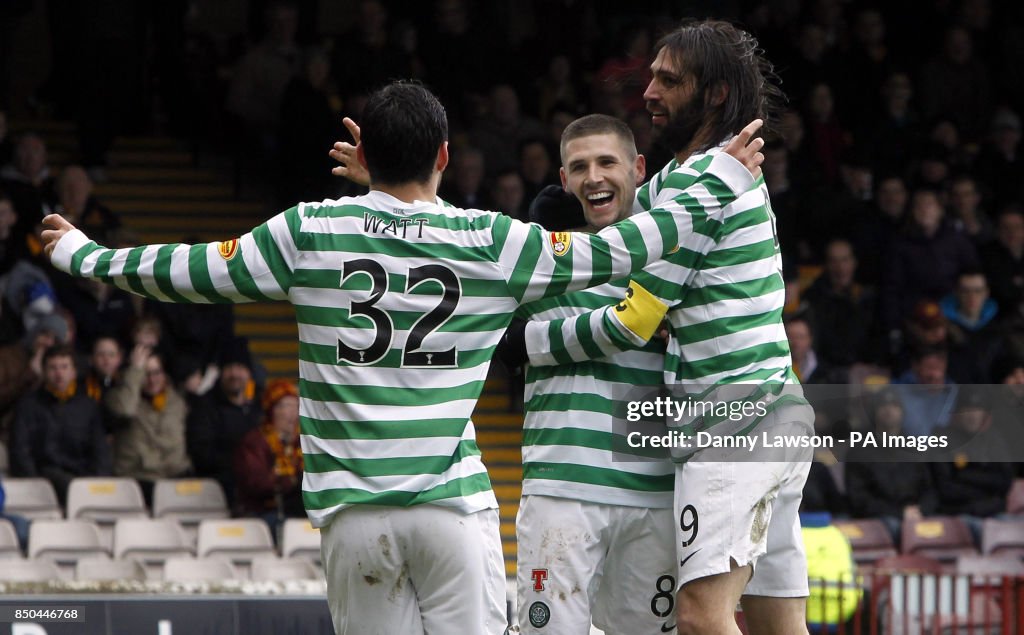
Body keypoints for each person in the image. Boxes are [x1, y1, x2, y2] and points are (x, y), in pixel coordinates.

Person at [42, 81, 764, 635]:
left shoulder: (309, 231)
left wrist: (83, 251)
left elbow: (187, 269)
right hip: (449, 506)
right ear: (446, 157)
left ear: (368, 158)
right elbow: (620, 249)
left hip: (354, 516)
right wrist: (721, 182)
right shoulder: (490, 241)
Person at [509, 21, 812, 635]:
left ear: (717, 95)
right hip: (781, 410)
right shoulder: (706, 178)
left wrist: (530, 343)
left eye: (668, 80)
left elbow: (639, 312)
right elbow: (629, 218)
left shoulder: (702, 181)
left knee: (703, 617)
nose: (647, 91)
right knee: (780, 622)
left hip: (731, 422)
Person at [506, 115, 678, 634]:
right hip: (563, 485)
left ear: (639, 168)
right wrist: (631, 327)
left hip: (655, 488)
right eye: (579, 167)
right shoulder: (539, 255)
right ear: (563, 179)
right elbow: (503, 343)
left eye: (607, 162)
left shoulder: (675, 256)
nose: (594, 177)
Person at [9, 344, 111, 505]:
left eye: (64, 367)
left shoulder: (88, 406)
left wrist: (97, 483)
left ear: (73, 372)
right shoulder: (28, 405)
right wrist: (36, 484)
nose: (59, 373)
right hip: (43, 481)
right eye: (53, 368)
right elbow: (20, 451)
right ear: (44, 371)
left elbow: (100, 452)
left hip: (82, 480)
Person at [105, 346, 192, 505]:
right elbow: (126, 410)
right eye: (145, 373)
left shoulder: (177, 402)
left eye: (157, 372)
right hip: (137, 479)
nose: (152, 379)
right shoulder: (118, 398)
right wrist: (135, 372)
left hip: (174, 478)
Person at [234, 379, 304, 539]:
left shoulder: (303, 441)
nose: (293, 413)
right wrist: (289, 481)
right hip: (263, 511)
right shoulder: (254, 442)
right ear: (273, 410)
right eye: (287, 405)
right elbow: (255, 483)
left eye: (296, 405)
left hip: (298, 509)